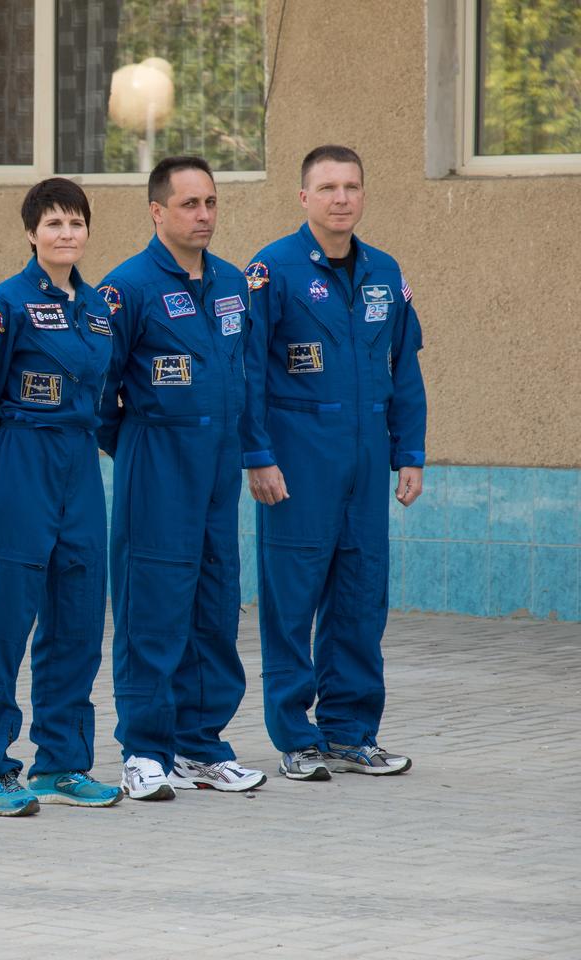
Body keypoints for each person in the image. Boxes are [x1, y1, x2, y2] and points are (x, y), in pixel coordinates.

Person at [241, 144, 425, 780]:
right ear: (303, 198)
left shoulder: (384, 271)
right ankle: (295, 735)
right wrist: (258, 456)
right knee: (292, 603)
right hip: (298, 463)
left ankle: (351, 732)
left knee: (359, 600)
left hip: (368, 461)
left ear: (364, 194)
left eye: (351, 186)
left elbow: (405, 371)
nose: (340, 198)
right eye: (327, 188)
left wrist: (411, 453)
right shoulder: (273, 270)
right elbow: (249, 373)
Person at [98, 156, 267, 801]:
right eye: (190, 204)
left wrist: (247, 452)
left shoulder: (231, 283)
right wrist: (144, 446)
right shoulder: (128, 287)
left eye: (211, 203)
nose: (204, 215)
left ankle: (201, 745)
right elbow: (100, 394)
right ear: (157, 211)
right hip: (157, 467)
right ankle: (144, 750)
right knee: (154, 608)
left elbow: (243, 377)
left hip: (217, 471)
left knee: (214, 604)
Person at [0, 178, 121, 816]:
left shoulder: (100, 308)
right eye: (53, 223)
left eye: (76, 223)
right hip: (20, 458)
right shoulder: (6, 304)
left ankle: (61, 762)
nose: (66, 234)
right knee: (5, 617)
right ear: (31, 233)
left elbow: (107, 395)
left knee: (79, 615)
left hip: (80, 464)